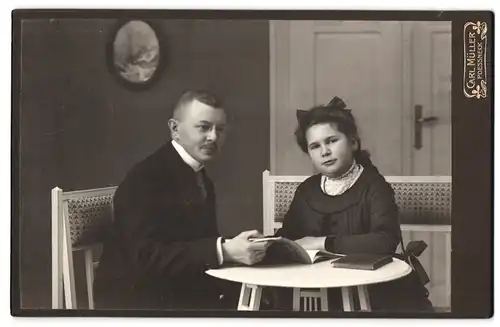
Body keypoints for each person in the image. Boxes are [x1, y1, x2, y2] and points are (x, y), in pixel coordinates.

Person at [94, 90, 270, 310]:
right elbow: (144, 258)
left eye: (220, 129)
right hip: (136, 300)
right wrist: (224, 250)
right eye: (204, 127)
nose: (214, 137)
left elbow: (192, 241)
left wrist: (234, 247)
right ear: (175, 129)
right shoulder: (146, 178)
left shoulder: (199, 175)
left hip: (176, 287)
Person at [273, 96, 433, 312]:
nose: (324, 151)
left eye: (331, 141)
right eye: (315, 146)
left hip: (367, 290)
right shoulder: (307, 190)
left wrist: (323, 243)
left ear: (353, 142)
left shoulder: (374, 186)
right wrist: (269, 244)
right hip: (312, 291)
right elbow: (290, 236)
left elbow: (385, 241)